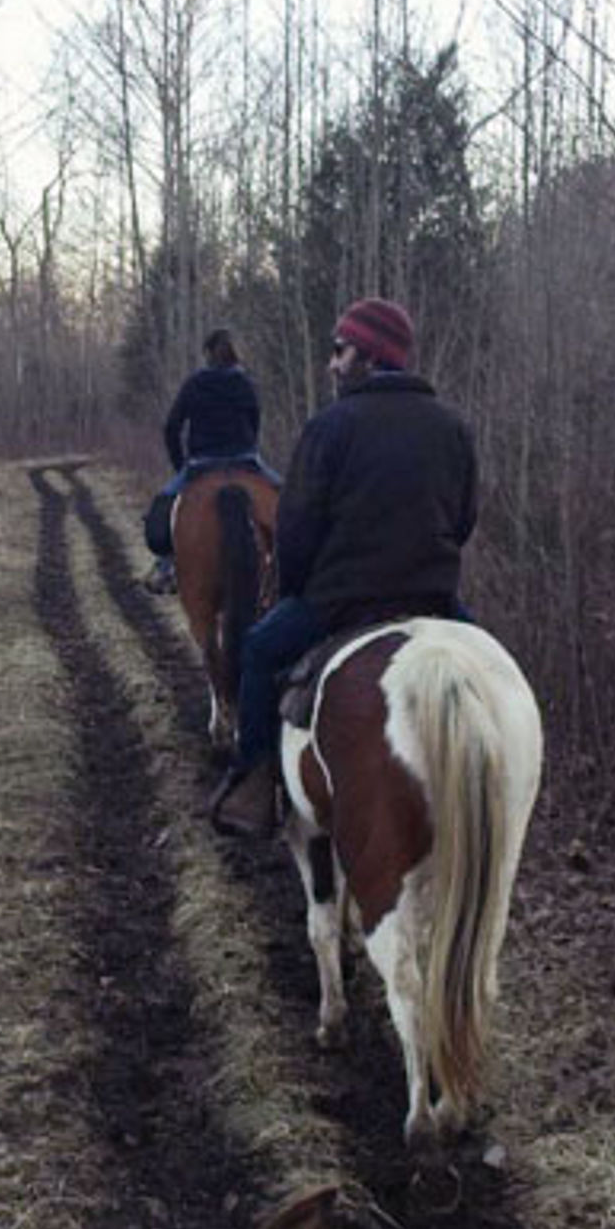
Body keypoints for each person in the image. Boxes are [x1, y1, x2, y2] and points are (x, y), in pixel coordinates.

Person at [209, 296, 478, 838]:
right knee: (495, 676)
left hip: (342, 600)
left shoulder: (331, 425)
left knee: (259, 650)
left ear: (371, 357)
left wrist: (297, 590)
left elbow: (297, 529)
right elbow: (464, 519)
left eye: (340, 350)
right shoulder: (452, 427)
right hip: (434, 599)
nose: (332, 363)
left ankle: (255, 783)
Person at [143, 328, 279, 594]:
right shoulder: (245, 384)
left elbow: (172, 427)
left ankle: (166, 566)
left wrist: (181, 465)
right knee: (286, 500)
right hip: (245, 460)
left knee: (164, 505)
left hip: (202, 463)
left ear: (207, 354)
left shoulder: (194, 384)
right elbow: (255, 424)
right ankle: (285, 568)